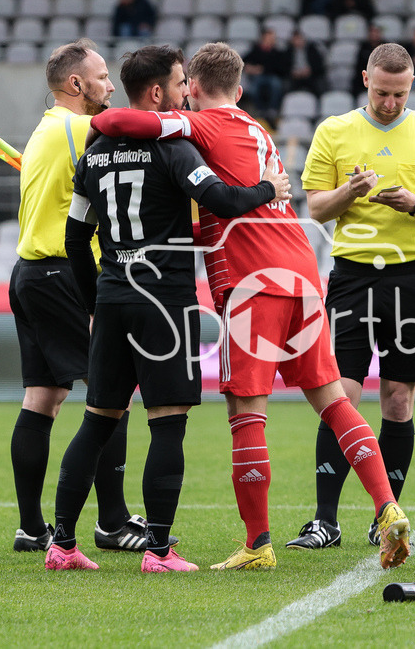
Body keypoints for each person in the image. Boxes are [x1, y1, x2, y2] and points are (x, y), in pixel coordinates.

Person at [89, 42, 412, 571]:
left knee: (246, 411)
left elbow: (127, 122)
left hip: (252, 283)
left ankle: (257, 543)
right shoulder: (256, 128)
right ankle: (387, 506)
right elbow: (229, 212)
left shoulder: (199, 125)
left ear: (191, 88)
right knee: (333, 400)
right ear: (239, 89)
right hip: (301, 272)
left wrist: (100, 118)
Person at [45, 44, 291, 572]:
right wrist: (268, 188)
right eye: (181, 85)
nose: (187, 94)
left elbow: (73, 239)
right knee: (167, 423)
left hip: (112, 299)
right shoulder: (173, 146)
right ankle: (158, 550)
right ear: (156, 93)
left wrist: (95, 303)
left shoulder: (93, 153)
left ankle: (61, 544)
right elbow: (224, 201)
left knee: (95, 423)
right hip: (164, 301)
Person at [292, 42, 415, 549]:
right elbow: (318, 208)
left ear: (411, 86)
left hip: (410, 277)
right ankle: (325, 519)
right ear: (365, 78)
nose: (390, 102)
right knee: (341, 395)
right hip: (351, 275)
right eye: (382, 91)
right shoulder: (335, 130)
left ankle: (383, 514)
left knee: (397, 397)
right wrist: (352, 192)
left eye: (400, 93)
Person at [9, 39, 143, 556]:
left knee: (43, 397)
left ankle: (30, 526)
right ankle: (111, 522)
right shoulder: (83, 129)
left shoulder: (46, 129)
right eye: (104, 77)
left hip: (28, 273)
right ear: (76, 84)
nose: (111, 86)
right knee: (111, 392)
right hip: (66, 274)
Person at [242, 28, 287, 127]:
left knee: (276, 85)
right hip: (258, 77)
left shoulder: (277, 52)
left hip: (272, 76)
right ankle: (260, 109)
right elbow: (243, 61)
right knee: (254, 88)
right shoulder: (256, 50)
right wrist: (253, 69)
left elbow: (281, 68)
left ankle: (272, 109)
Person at [284, 30, 326, 96]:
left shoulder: (312, 50)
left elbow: (319, 64)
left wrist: (310, 70)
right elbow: (284, 66)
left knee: (318, 85)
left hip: (310, 75)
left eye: (299, 39)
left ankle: (319, 103)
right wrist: (292, 72)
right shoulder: (288, 52)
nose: (298, 41)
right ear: (292, 41)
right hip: (294, 76)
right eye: (295, 40)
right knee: (287, 86)